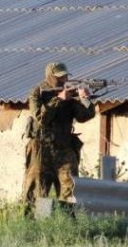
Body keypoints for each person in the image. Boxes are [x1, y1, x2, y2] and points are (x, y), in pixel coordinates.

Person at [23, 61, 95, 213]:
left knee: (71, 188)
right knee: (38, 190)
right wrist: (58, 99)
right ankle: (37, 226)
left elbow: (84, 116)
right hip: (41, 150)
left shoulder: (69, 92)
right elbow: (41, 118)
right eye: (59, 77)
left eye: (65, 76)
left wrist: (85, 99)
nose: (64, 80)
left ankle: (67, 221)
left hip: (64, 148)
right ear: (50, 76)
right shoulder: (38, 92)